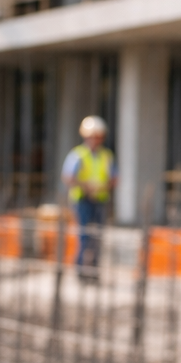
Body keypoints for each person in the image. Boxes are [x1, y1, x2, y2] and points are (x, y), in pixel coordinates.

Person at [62, 116, 116, 277]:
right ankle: (80, 271)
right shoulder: (78, 155)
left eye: (98, 136)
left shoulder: (106, 155)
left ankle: (94, 270)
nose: (95, 140)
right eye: (92, 136)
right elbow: (68, 177)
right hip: (82, 201)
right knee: (84, 235)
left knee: (97, 237)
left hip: (99, 200)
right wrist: (86, 187)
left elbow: (114, 178)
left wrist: (103, 187)